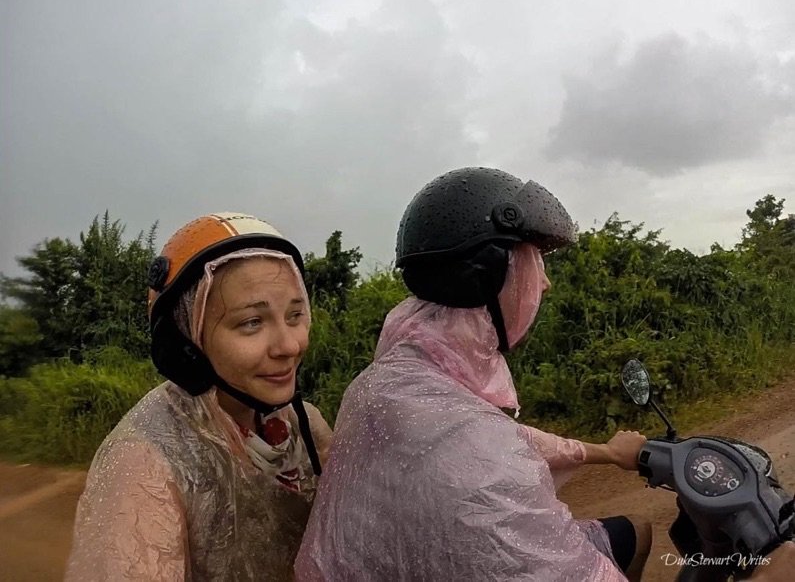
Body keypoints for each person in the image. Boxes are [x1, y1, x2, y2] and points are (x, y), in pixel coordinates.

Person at [295, 168, 795, 581]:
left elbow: (501, 437)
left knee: (639, 531)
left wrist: (602, 453)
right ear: (486, 276)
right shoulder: (481, 462)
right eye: (534, 265)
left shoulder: (386, 383)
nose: (547, 284)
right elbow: (488, 451)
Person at [67, 212, 332, 581]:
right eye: (251, 323)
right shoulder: (145, 462)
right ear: (185, 343)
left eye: (294, 315)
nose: (289, 346)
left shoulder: (305, 425)